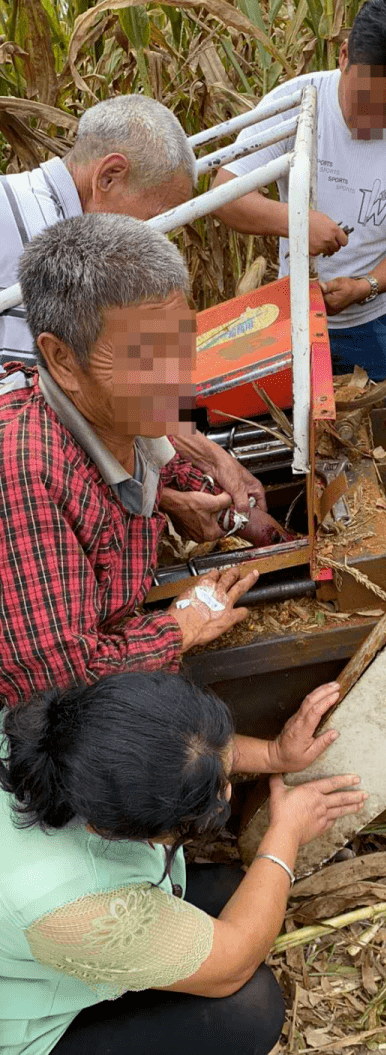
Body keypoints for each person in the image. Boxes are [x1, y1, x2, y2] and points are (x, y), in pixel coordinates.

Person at [0, 670, 367, 1055]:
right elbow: (234, 966)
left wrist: (275, 755)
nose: (227, 790)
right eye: (208, 802)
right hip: (22, 1030)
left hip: (30, 952)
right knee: (249, 1009)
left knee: (234, 889)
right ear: (115, 831)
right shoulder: (72, 904)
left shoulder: (59, 737)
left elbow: (187, 747)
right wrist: (285, 833)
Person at [0, 212, 283, 706]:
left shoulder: (118, 408)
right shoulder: (25, 470)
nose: (178, 383)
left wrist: (228, 493)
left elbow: (168, 451)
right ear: (63, 359)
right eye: (146, 356)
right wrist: (181, 627)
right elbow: (56, 687)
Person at [0, 92, 266, 518]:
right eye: (159, 217)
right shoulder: (33, 253)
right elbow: (49, 431)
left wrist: (211, 458)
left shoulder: (39, 214)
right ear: (109, 176)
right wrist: (165, 499)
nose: (160, 238)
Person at [212, 0, 386, 382]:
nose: (374, 120)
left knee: (385, 427)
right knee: (297, 431)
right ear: (344, 56)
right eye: (365, 100)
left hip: (382, 322)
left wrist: (366, 286)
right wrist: (297, 222)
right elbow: (224, 194)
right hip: (294, 312)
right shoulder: (296, 104)